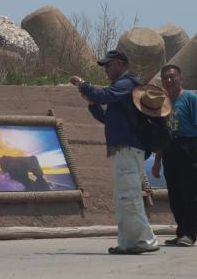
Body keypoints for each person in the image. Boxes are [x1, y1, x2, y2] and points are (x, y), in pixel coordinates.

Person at [70, 50, 160, 254]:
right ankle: (128, 243)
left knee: (129, 196)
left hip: (128, 149)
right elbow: (107, 118)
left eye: (108, 66)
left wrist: (82, 84)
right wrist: (93, 104)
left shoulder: (127, 84)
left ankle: (146, 241)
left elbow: (104, 95)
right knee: (123, 199)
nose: (106, 71)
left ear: (120, 64)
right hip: (123, 150)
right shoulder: (121, 89)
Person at [152, 64, 197, 247]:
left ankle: (190, 234)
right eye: (165, 78)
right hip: (170, 148)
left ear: (180, 78)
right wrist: (157, 161)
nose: (168, 81)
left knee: (191, 193)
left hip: (189, 147)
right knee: (175, 194)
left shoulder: (190, 98)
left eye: (172, 77)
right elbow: (162, 133)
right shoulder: (163, 102)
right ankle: (181, 232)